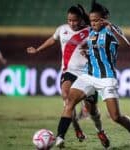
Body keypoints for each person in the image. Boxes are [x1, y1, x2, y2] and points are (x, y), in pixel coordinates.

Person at [55, 2, 130, 150]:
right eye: (91, 21)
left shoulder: (110, 31)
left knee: (116, 117)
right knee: (69, 102)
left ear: (104, 19)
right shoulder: (91, 32)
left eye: (96, 20)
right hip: (88, 75)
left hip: (106, 78)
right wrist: (87, 51)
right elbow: (94, 46)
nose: (93, 23)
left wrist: (111, 26)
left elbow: (126, 45)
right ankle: (60, 138)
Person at [26, 4, 110, 148]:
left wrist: (90, 52)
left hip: (87, 74)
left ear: (80, 20)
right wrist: (38, 49)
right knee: (66, 98)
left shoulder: (90, 31)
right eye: (69, 20)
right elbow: (53, 39)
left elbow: (100, 45)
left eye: (75, 20)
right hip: (68, 72)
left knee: (92, 110)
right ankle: (71, 131)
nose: (72, 23)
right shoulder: (62, 30)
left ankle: (100, 131)